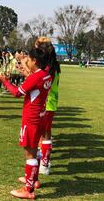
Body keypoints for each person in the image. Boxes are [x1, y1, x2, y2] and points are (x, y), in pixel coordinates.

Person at [0, 48, 52, 199]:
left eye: (28, 59)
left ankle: (28, 190)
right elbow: (35, 83)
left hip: (31, 119)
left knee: (30, 153)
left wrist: (5, 81)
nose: (26, 61)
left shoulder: (35, 78)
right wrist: (26, 72)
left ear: (35, 61)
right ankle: (33, 181)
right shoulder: (46, 75)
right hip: (41, 116)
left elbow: (17, 93)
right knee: (35, 151)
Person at [35, 37, 61, 175]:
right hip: (52, 102)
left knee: (44, 134)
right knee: (46, 133)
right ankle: (45, 161)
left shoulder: (48, 67)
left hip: (46, 102)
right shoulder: (55, 65)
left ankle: (44, 164)